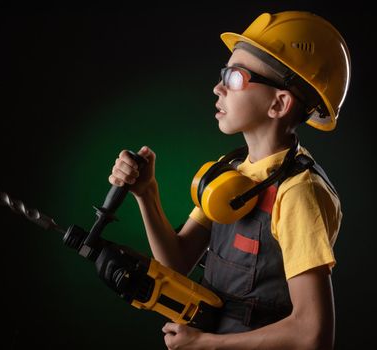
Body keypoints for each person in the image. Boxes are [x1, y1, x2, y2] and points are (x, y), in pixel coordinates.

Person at [108, 11, 350, 349]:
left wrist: (205, 343)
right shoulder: (231, 169)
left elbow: (313, 333)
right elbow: (176, 264)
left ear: (279, 103)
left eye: (236, 77)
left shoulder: (297, 193)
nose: (218, 87)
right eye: (225, 73)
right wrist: (147, 194)